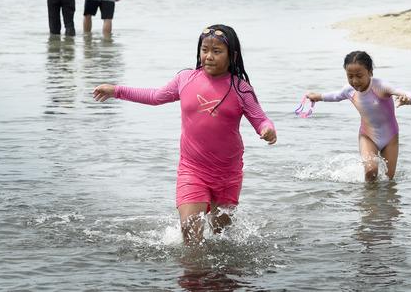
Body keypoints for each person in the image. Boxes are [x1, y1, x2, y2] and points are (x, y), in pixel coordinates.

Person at [92, 25, 277, 244]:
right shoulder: (186, 79)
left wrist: (268, 130)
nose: (208, 56)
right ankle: (194, 276)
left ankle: (218, 278)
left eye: (217, 51)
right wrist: (116, 91)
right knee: (191, 235)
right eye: (204, 49)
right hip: (193, 170)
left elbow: (260, 119)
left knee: (222, 239)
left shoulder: (241, 89)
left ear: (232, 55)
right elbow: (155, 96)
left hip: (228, 174)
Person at [305, 51, 411, 182]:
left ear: (370, 72)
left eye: (359, 76)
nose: (355, 81)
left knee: (388, 180)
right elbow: (335, 96)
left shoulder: (380, 86)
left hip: (390, 138)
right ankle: (368, 202)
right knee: (371, 171)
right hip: (367, 136)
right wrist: (317, 97)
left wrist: (408, 99)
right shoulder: (349, 90)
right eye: (350, 76)